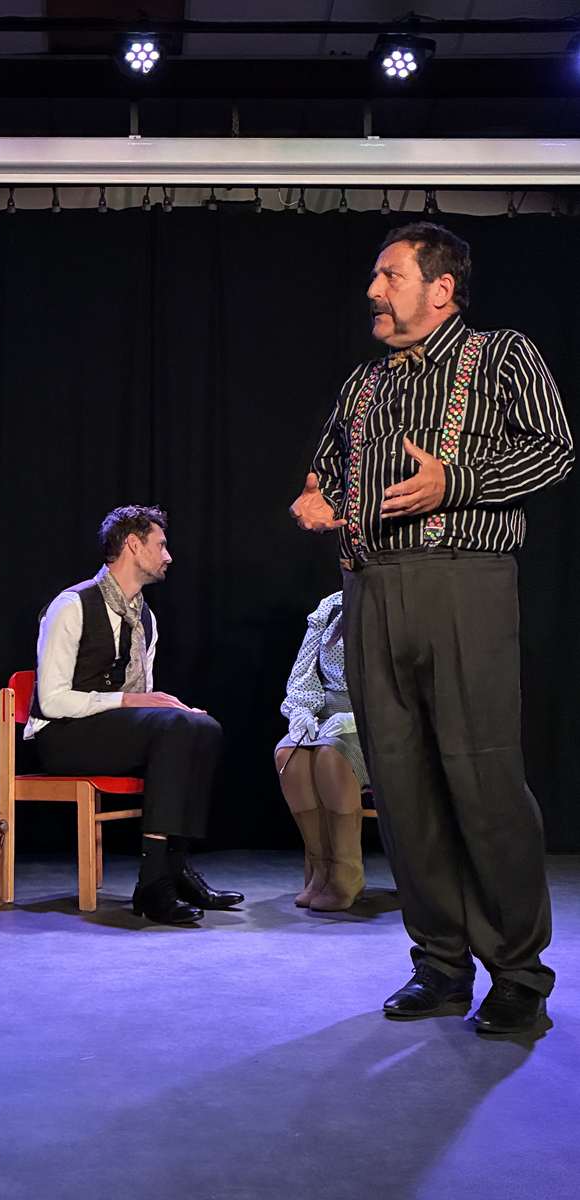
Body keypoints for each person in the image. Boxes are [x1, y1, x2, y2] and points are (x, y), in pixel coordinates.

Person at [289, 222, 573, 1034]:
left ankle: (518, 973)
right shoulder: (364, 384)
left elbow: (555, 451)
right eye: (376, 277)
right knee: (403, 788)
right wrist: (315, 500)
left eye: (390, 276)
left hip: (463, 584)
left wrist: (459, 480)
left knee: (483, 782)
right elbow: (325, 473)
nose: (373, 291)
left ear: (440, 288)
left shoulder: (502, 355)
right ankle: (441, 964)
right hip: (370, 590)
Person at [25, 505, 243, 926]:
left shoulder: (145, 618)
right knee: (177, 727)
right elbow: (51, 701)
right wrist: (128, 703)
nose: (168, 556)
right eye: (161, 545)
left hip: (110, 732)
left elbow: (144, 700)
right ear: (133, 545)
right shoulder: (71, 605)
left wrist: (170, 708)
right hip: (63, 736)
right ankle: (152, 883)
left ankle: (175, 867)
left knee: (203, 727)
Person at [274, 590, 369, 912]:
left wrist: (359, 717)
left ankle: (346, 872)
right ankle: (321, 868)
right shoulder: (332, 606)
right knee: (290, 755)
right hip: (329, 715)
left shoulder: (398, 604)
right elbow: (304, 672)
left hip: (380, 721)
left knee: (331, 756)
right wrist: (302, 712)